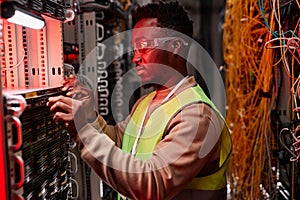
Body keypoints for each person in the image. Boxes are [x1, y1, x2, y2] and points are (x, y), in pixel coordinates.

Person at [47, 1, 232, 199]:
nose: (136, 58)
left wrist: (82, 131)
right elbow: (120, 143)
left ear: (176, 47)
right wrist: (88, 115)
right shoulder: (146, 102)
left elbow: (151, 184)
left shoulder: (196, 116)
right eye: (134, 50)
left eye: (143, 47)